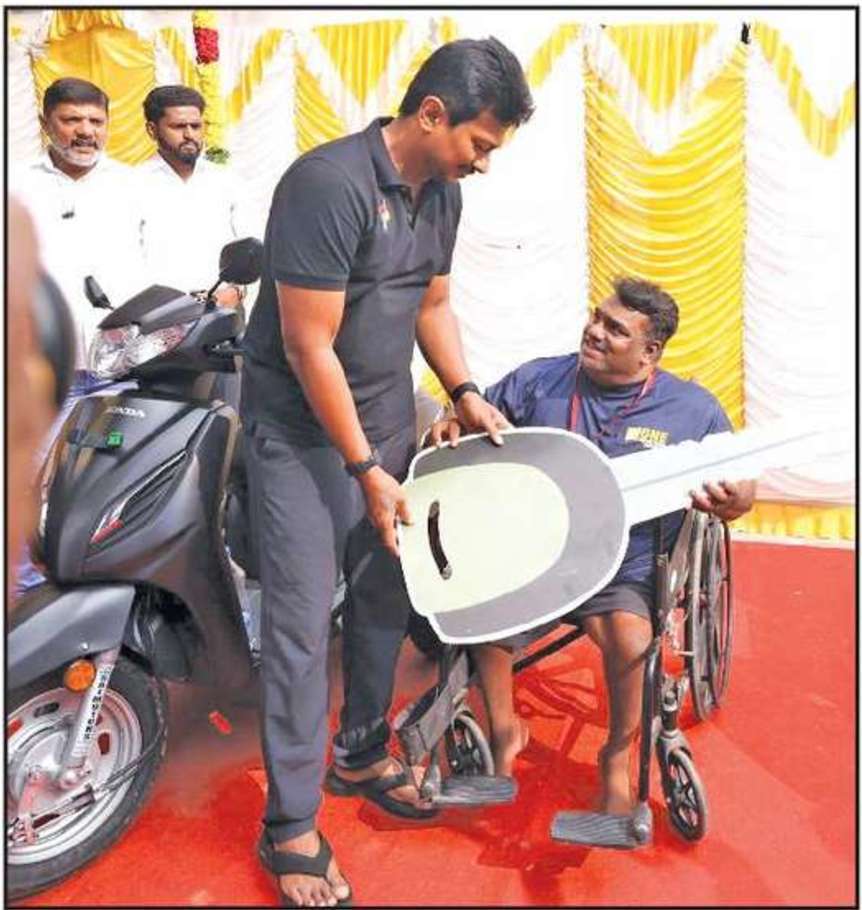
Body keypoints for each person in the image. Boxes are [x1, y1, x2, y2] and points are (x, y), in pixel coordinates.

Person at [240, 37, 534, 907]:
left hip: (386, 425)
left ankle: (361, 752)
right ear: (432, 114)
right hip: (301, 438)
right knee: (300, 630)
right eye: (479, 143)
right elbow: (308, 346)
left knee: (382, 601)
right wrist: (365, 467)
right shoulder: (326, 184)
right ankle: (289, 826)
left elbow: (431, 303)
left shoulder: (442, 193)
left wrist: (465, 391)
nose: (482, 163)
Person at [429, 277, 756, 814]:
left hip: (623, 567)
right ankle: (506, 731)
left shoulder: (692, 409)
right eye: (597, 318)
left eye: (615, 329)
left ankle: (616, 756)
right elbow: (469, 415)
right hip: (534, 555)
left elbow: (741, 491)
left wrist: (732, 498)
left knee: (632, 640)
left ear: (650, 353)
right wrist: (448, 425)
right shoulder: (538, 381)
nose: (595, 331)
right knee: (482, 608)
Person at [12, 77, 146, 592]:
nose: (85, 131)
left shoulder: (132, 187)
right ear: (46, 123)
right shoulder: (16, 185)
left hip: (121, 367)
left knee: (113, 481)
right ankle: (22, 590)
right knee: (24, 478)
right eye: (72, 120)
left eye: (95, 121)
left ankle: (106, 585)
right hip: (44, 371)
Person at [139, 84, 256, 307]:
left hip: (224, 310)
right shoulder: (131, 185)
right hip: (158, 315)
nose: (189, 135)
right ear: (152, 130)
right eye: (178, 126)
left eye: (195, 126)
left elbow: (252, 247)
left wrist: (237, 292)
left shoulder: (228, 181)